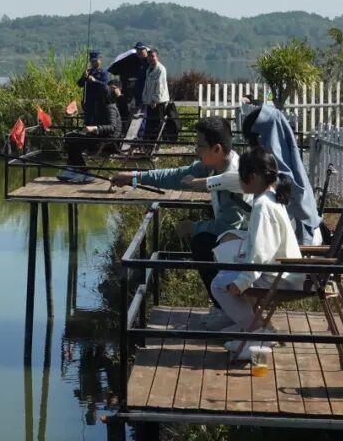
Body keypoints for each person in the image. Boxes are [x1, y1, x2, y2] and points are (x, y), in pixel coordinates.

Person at [110, 117, 251, 316]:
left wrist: (194, 227)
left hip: (250, 247)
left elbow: (228, 229)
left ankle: (227, 310)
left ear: (217, 149)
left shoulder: (235, 178)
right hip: (238, 242)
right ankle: (226, 307)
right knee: (204, 241)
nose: (196, 149)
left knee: (202, 242)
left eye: (200, 145)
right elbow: (176, 176)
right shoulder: (215, 164)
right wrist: (134, 177)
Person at [211, 146, 303, 357]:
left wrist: (242, 281)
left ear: (251, 177)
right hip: (284, 270)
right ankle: (252, 328)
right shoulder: (271, 196)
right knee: (226, 275)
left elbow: (261, 251)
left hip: (281, 277)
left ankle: (257, 332)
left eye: (241, 176)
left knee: (218, 284)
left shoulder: (262, 205)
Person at [241, 101, 323, 245]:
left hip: (301, 245)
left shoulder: (277, 178)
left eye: (251, 142)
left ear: (262, 139)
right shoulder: (285, 170)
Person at [59, 85, 122, 181]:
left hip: (107, 141)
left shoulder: (110, 108)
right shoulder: (101, 107)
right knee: (69, 137)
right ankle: (73, 168)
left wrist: (95, 128)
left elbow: (112, 127)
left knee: (73, 143)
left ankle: (83, 171)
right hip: (99, 137)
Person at [140, 48, 169, 140]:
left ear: (157, 57)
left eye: (153, 56)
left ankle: (157, 143)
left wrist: (154, 100)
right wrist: (144, 98)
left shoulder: (160, 69)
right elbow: (147, 86)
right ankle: (150, 143)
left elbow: (160, 86)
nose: (151, 58)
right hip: (149, 102)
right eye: (149, 57)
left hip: (158, 102)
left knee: (157, 124)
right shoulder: (149, 69)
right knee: (150, 124)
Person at [77, 50, 111, 126]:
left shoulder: (104, 73)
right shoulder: (88, 72)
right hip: (88, 104)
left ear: (100, 60)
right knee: (88, 123)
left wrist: (95, 81)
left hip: (99, 103)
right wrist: (83, 77)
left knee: (97, 124)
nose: (93, 63)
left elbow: (105, 86)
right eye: (92, 61)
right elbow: (79, 84)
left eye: (95, 60)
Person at [131, 42, 151, 110]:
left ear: (145, 50)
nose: (138, 51)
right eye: (137, 49)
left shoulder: (149, 62)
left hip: (146, 96)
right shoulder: (139, 62)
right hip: (139, 96)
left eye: (141, 49)